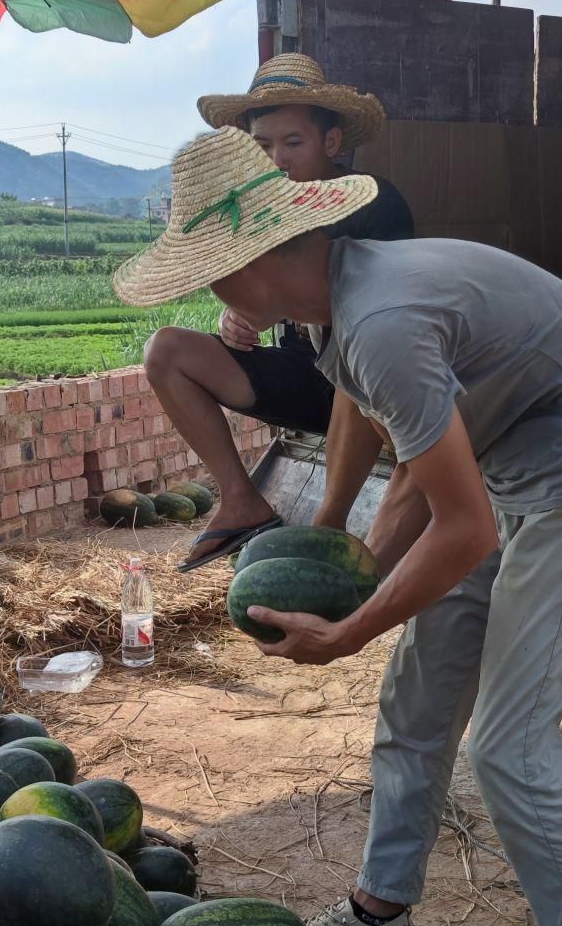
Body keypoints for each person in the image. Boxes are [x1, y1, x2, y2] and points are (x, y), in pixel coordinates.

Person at [114, 129, 562, 926]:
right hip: (509, 468)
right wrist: (347, 550)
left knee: (508, 743)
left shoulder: (381, 321)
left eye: (207, 273)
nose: (208, 294)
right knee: (417, 700)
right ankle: (383, 907)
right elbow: (391, 441)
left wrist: (353, 626)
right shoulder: (339, 303)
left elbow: (464, 528)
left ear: (249, 265)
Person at [143, 54, 414, 571]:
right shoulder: (256, 212)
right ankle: (241, 500)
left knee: (355, 365)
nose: (277, 160)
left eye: (293, 143)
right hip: (299, 376)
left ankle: (331, 537)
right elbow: (262, 299)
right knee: (166, 351)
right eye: (263, 146)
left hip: (364, 385)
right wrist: (239, 317)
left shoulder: (371, 203)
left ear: (331, 144)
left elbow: (378, 329)